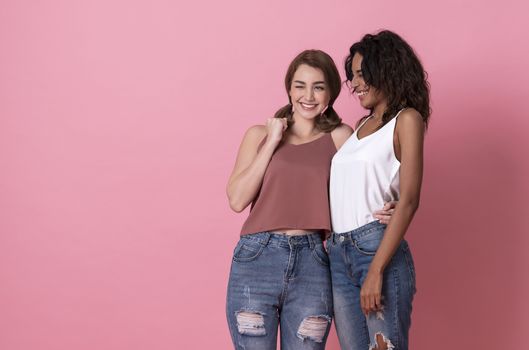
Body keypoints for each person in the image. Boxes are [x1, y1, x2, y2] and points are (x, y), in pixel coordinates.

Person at [225, 49, 394, 350]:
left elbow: (362, 189)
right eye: (300, 85)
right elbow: (237, 200)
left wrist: (389, 204)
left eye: (318, 86)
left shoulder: (341, 136)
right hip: (256, 260)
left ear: (330, 92)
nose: (309, 96)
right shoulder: (258, 135)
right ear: (289, 88)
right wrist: (272, 142)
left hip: (313, 263)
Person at [328, 30, 431, 350]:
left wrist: (376, 271)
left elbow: (410, 199)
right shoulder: (359, 126)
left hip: (375, 250)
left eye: (362, 75)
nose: (355, 84)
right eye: (352, 77)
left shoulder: (407, 120)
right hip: (338, 252)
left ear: (386, 70)